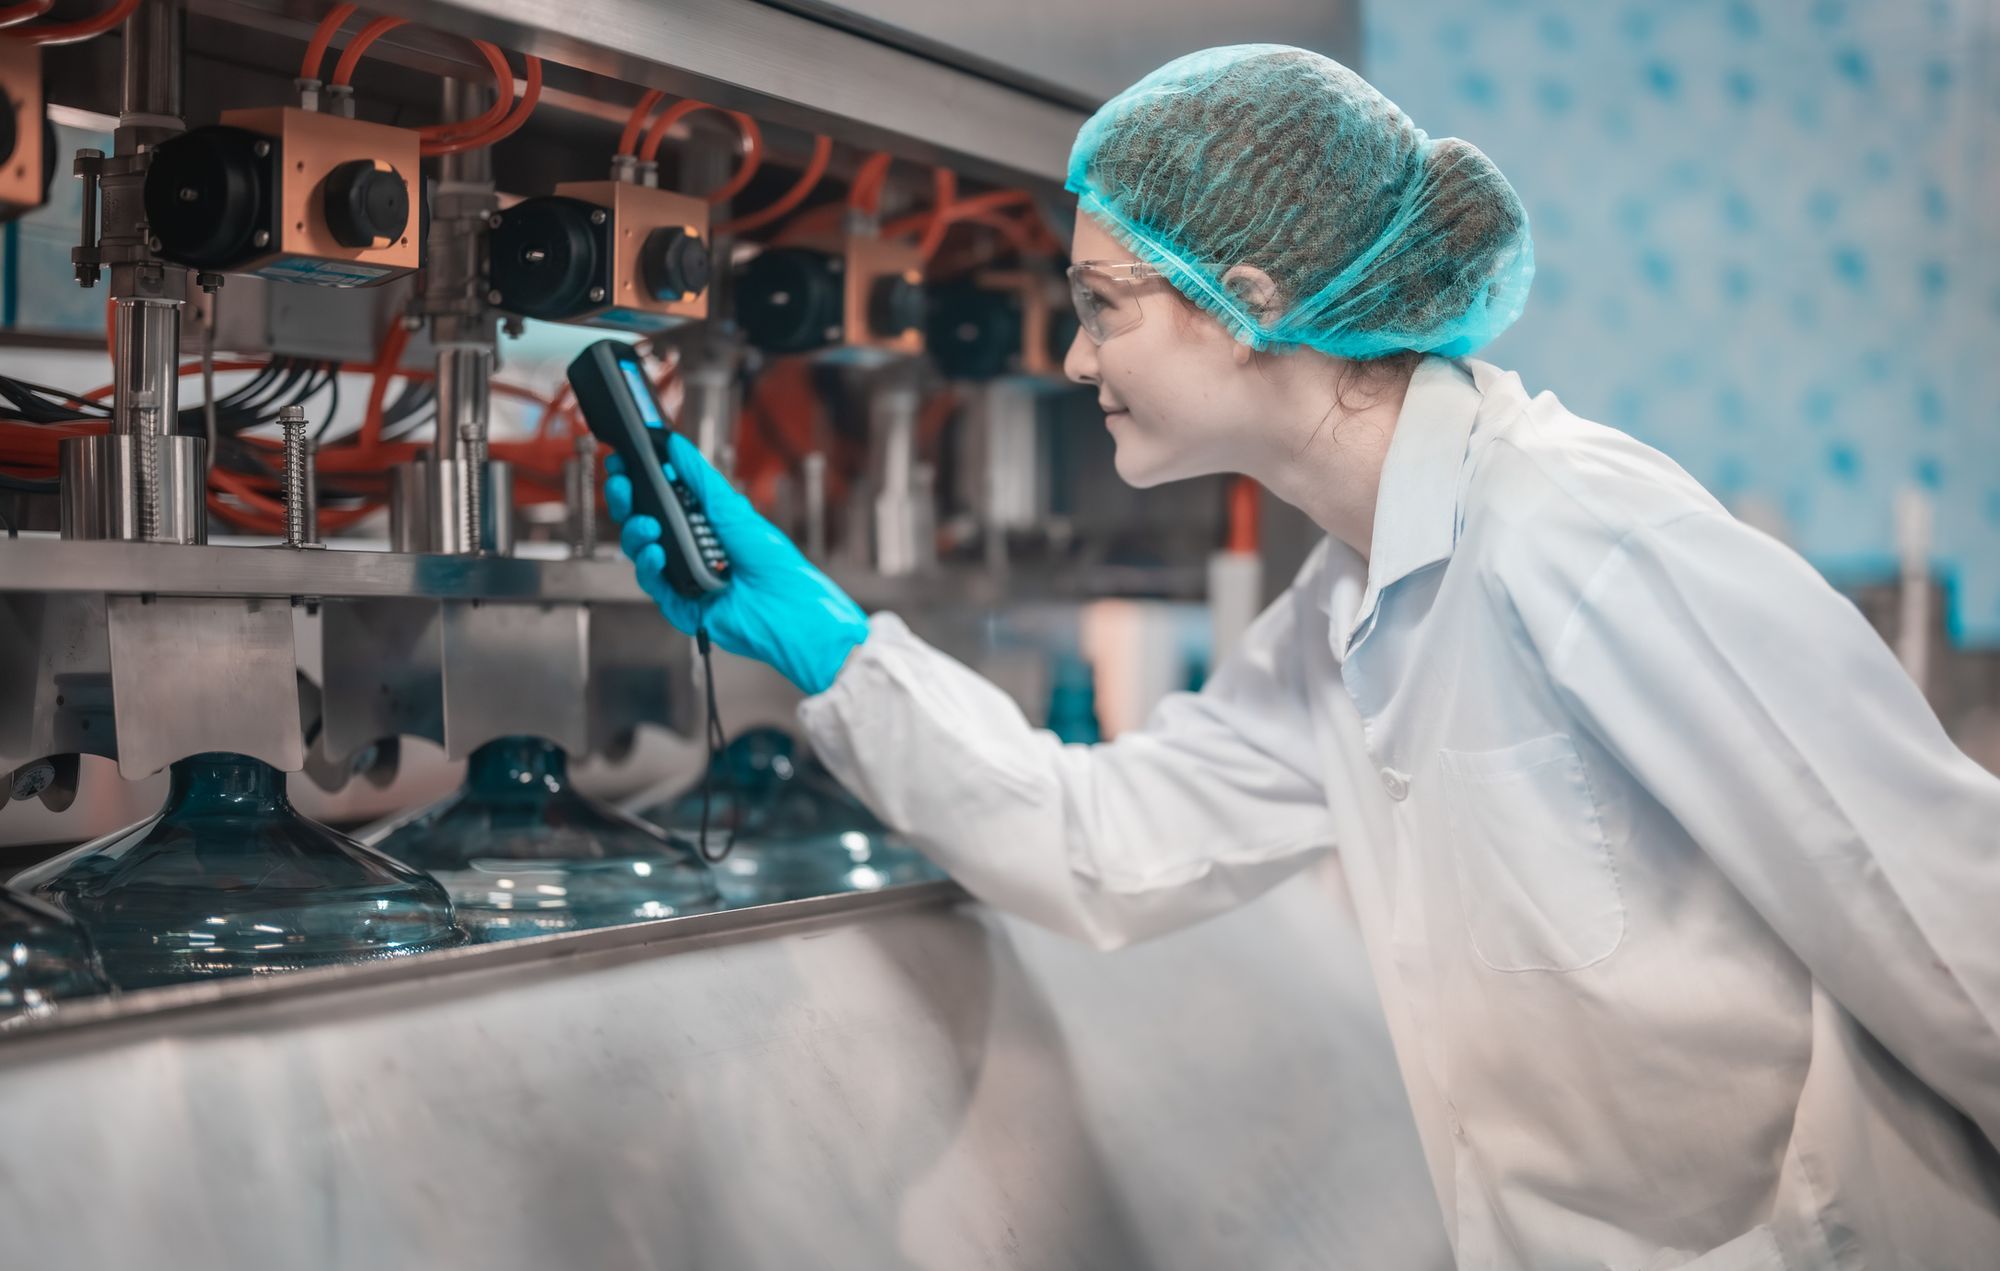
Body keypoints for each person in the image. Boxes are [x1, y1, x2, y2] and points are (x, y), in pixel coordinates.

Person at [606, 44, 2000, 1270]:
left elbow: (1959, 950)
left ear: (1249, 297)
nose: (1080, 364)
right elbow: (1106, 845)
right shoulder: (1354, 604)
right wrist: (830, 643)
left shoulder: (1587, 538)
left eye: (1103, 306)